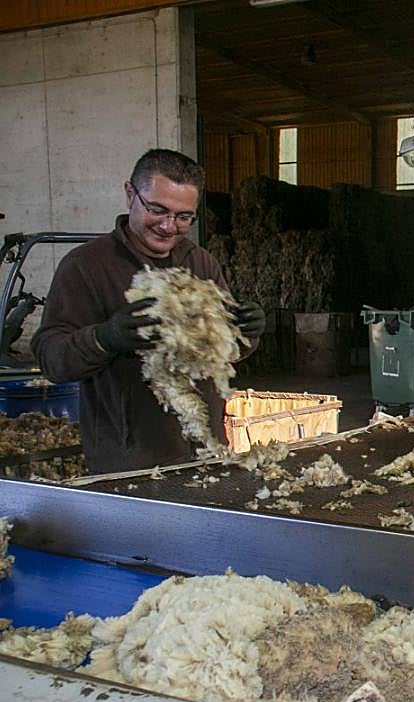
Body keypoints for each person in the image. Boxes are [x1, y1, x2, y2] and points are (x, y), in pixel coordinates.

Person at [32, 148, 265, 474]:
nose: (170, 227)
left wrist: (245, 332)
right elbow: (51, 358)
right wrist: (105, 338)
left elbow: (225, 353)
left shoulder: (200, 263)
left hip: (205, 451)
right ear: (130, 194)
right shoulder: (86, 266)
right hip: (130, 460)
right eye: (157, 210)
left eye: (184, 217)